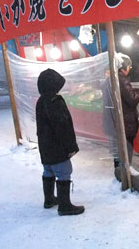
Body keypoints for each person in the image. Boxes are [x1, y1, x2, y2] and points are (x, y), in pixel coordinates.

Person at [36, 68, 84, 216]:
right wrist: (70, 146)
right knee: (64, 172)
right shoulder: (54, 102)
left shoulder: (41, 100)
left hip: (45, 146)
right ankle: (64, 206)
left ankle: (49, 199)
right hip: (57, 146)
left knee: (48, 170)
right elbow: (63, 127)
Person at [116, 53, 139, 167]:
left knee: (119, 149)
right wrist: (138, 94)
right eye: (129, 67)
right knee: (127, 148)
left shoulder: (114, 78)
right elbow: (131, 100)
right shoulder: (123, 80)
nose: (129, 70)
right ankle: (126, 171)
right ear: (125, 67)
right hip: (126, 121)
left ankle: (119, 171)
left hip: (118, 121)